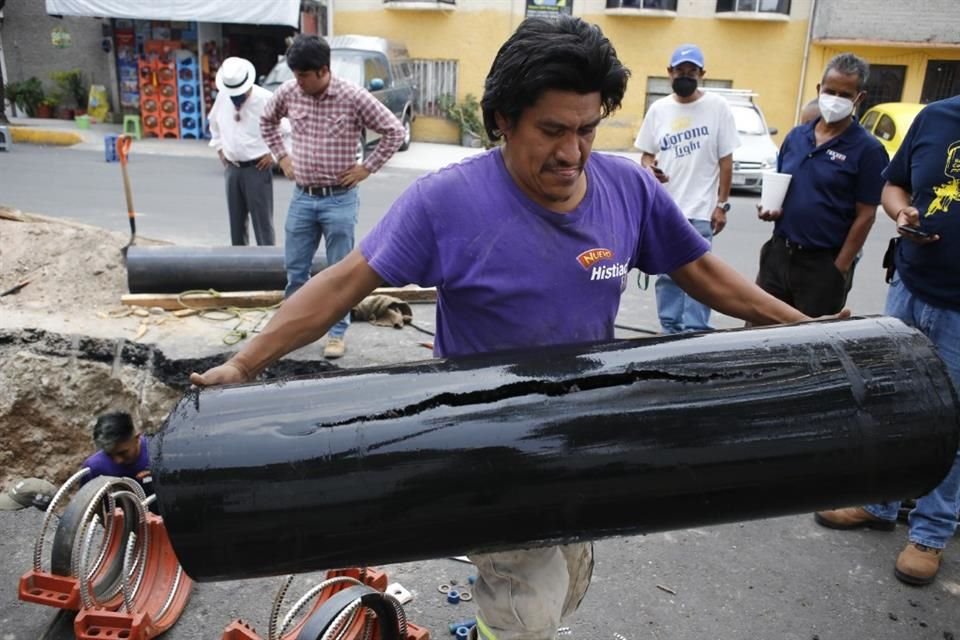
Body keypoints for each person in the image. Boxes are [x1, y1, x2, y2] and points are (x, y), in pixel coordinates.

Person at [194, 17, 834, 640]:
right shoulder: (446, 203)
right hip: (485, 447)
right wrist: (245, 364)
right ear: (503, 120)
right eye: (552, 130)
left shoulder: (627, 189)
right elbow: (339, 285)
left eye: (587, 129)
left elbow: (709, 276)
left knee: (563, 580)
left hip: (582, 435)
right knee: (526, 611)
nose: (572, 152)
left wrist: (809, 331)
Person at [814, 94, 960, 587]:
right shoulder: (937, 118)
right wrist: (903, 215)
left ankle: (930, 534)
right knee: (893, 402)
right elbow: (894, 186)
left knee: (951, 421)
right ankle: (879, 502)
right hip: (910, 284)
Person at [260, 34, 405, 359]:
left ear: (323, 70)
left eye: (302, 76)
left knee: (340, 275)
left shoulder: (353, 97)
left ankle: (337, 334)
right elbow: (267, 120)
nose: (296, 82)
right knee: (295, 268)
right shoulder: (289, 92)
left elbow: (395, 131)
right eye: (294, 75)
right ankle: (288, 331)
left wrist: (366, 168)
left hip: (339, 199)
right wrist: (283, 156)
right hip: (303, 197)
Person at [753, 53, 889, 317]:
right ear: (819, 89)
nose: (835, 99)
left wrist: (840, 267)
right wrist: (769, 208)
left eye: (845, 95)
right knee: (760, 333)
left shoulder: (868, 150)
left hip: (823, 265)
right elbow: (783, 189)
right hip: (779, 253)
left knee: (810, 343)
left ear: (858, 98)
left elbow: (866, 215)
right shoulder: (797, 137)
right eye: (830, 91)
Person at [634, 43, 740, 334]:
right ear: (669, 73)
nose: (685, 76)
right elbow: (646, 153)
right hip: (666, 207)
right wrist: (649, 168)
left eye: (691, 72)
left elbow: (726, 160)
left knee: (701, 274)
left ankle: (697, 332)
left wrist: (722, 204)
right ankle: (670, 331)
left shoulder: (717, 107)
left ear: (702, 74)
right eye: (680, 71)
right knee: (668, 274)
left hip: (701, 209)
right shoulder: (658, 110)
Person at [208, 57, 276, 246]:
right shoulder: (223, 97)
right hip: (233, 167)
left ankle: (267, 265)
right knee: (236, 223)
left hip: (257, 167)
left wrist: (274, 154)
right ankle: (239, 265)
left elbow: (288, 130)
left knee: (262, 223)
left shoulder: (266, 99)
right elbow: (213, 123)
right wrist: (220, 148)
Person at [80, 412, 153, 500]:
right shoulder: (94, 469)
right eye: (109, 455)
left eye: (122, 453)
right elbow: (87, 510)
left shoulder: (160, 456)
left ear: (136, 438)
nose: (117, 460)